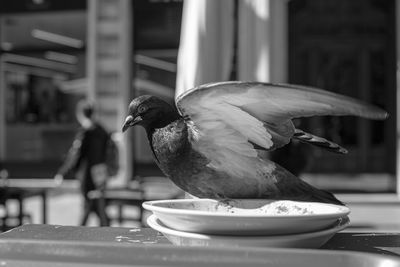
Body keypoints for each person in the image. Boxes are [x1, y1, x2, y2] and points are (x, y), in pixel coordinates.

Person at [55, 100, 110, 226]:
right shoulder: (102, 130)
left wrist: (63, 173)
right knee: (97, 204)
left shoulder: (85, 132)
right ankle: (103, 227)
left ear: (80, 114)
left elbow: (76, 156)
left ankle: (84, 231)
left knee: (90, 204)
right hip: (101, 172)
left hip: (87, 175)